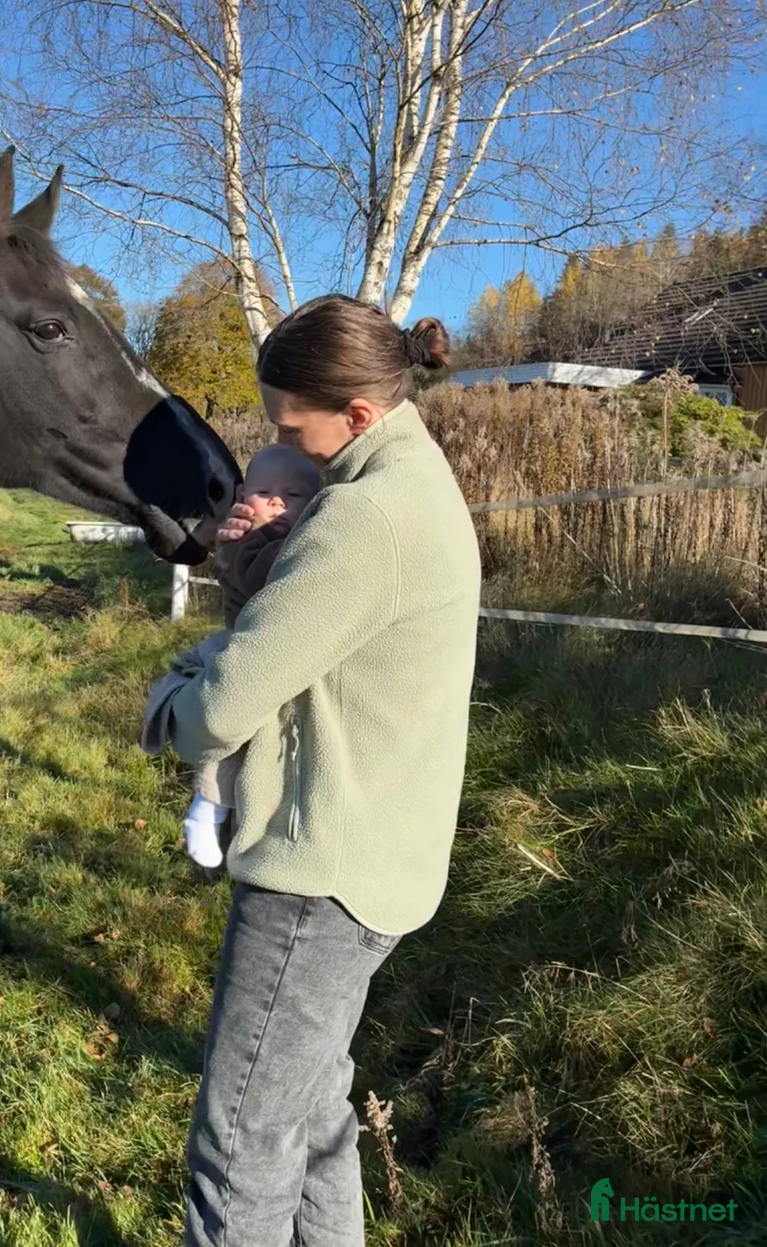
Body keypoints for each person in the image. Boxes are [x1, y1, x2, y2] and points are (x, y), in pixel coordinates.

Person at [149, 294, 481, 1247]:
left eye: (292, 425)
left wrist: (170, 705)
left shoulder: (366, 519)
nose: (282, 441)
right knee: (316, 1118)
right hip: (382, 862)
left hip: (317, 876)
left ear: (359, 416)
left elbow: (222, 708)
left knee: (240, 1145)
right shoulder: (415, 483)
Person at [183, 444, 321, 869]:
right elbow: (270, 579)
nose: (278, 500)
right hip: (251, 648)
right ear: (244, 496)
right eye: (265, 492)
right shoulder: (249, 541)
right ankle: (207, 806)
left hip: (283, 651)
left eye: (294, 496)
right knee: (232, 734)